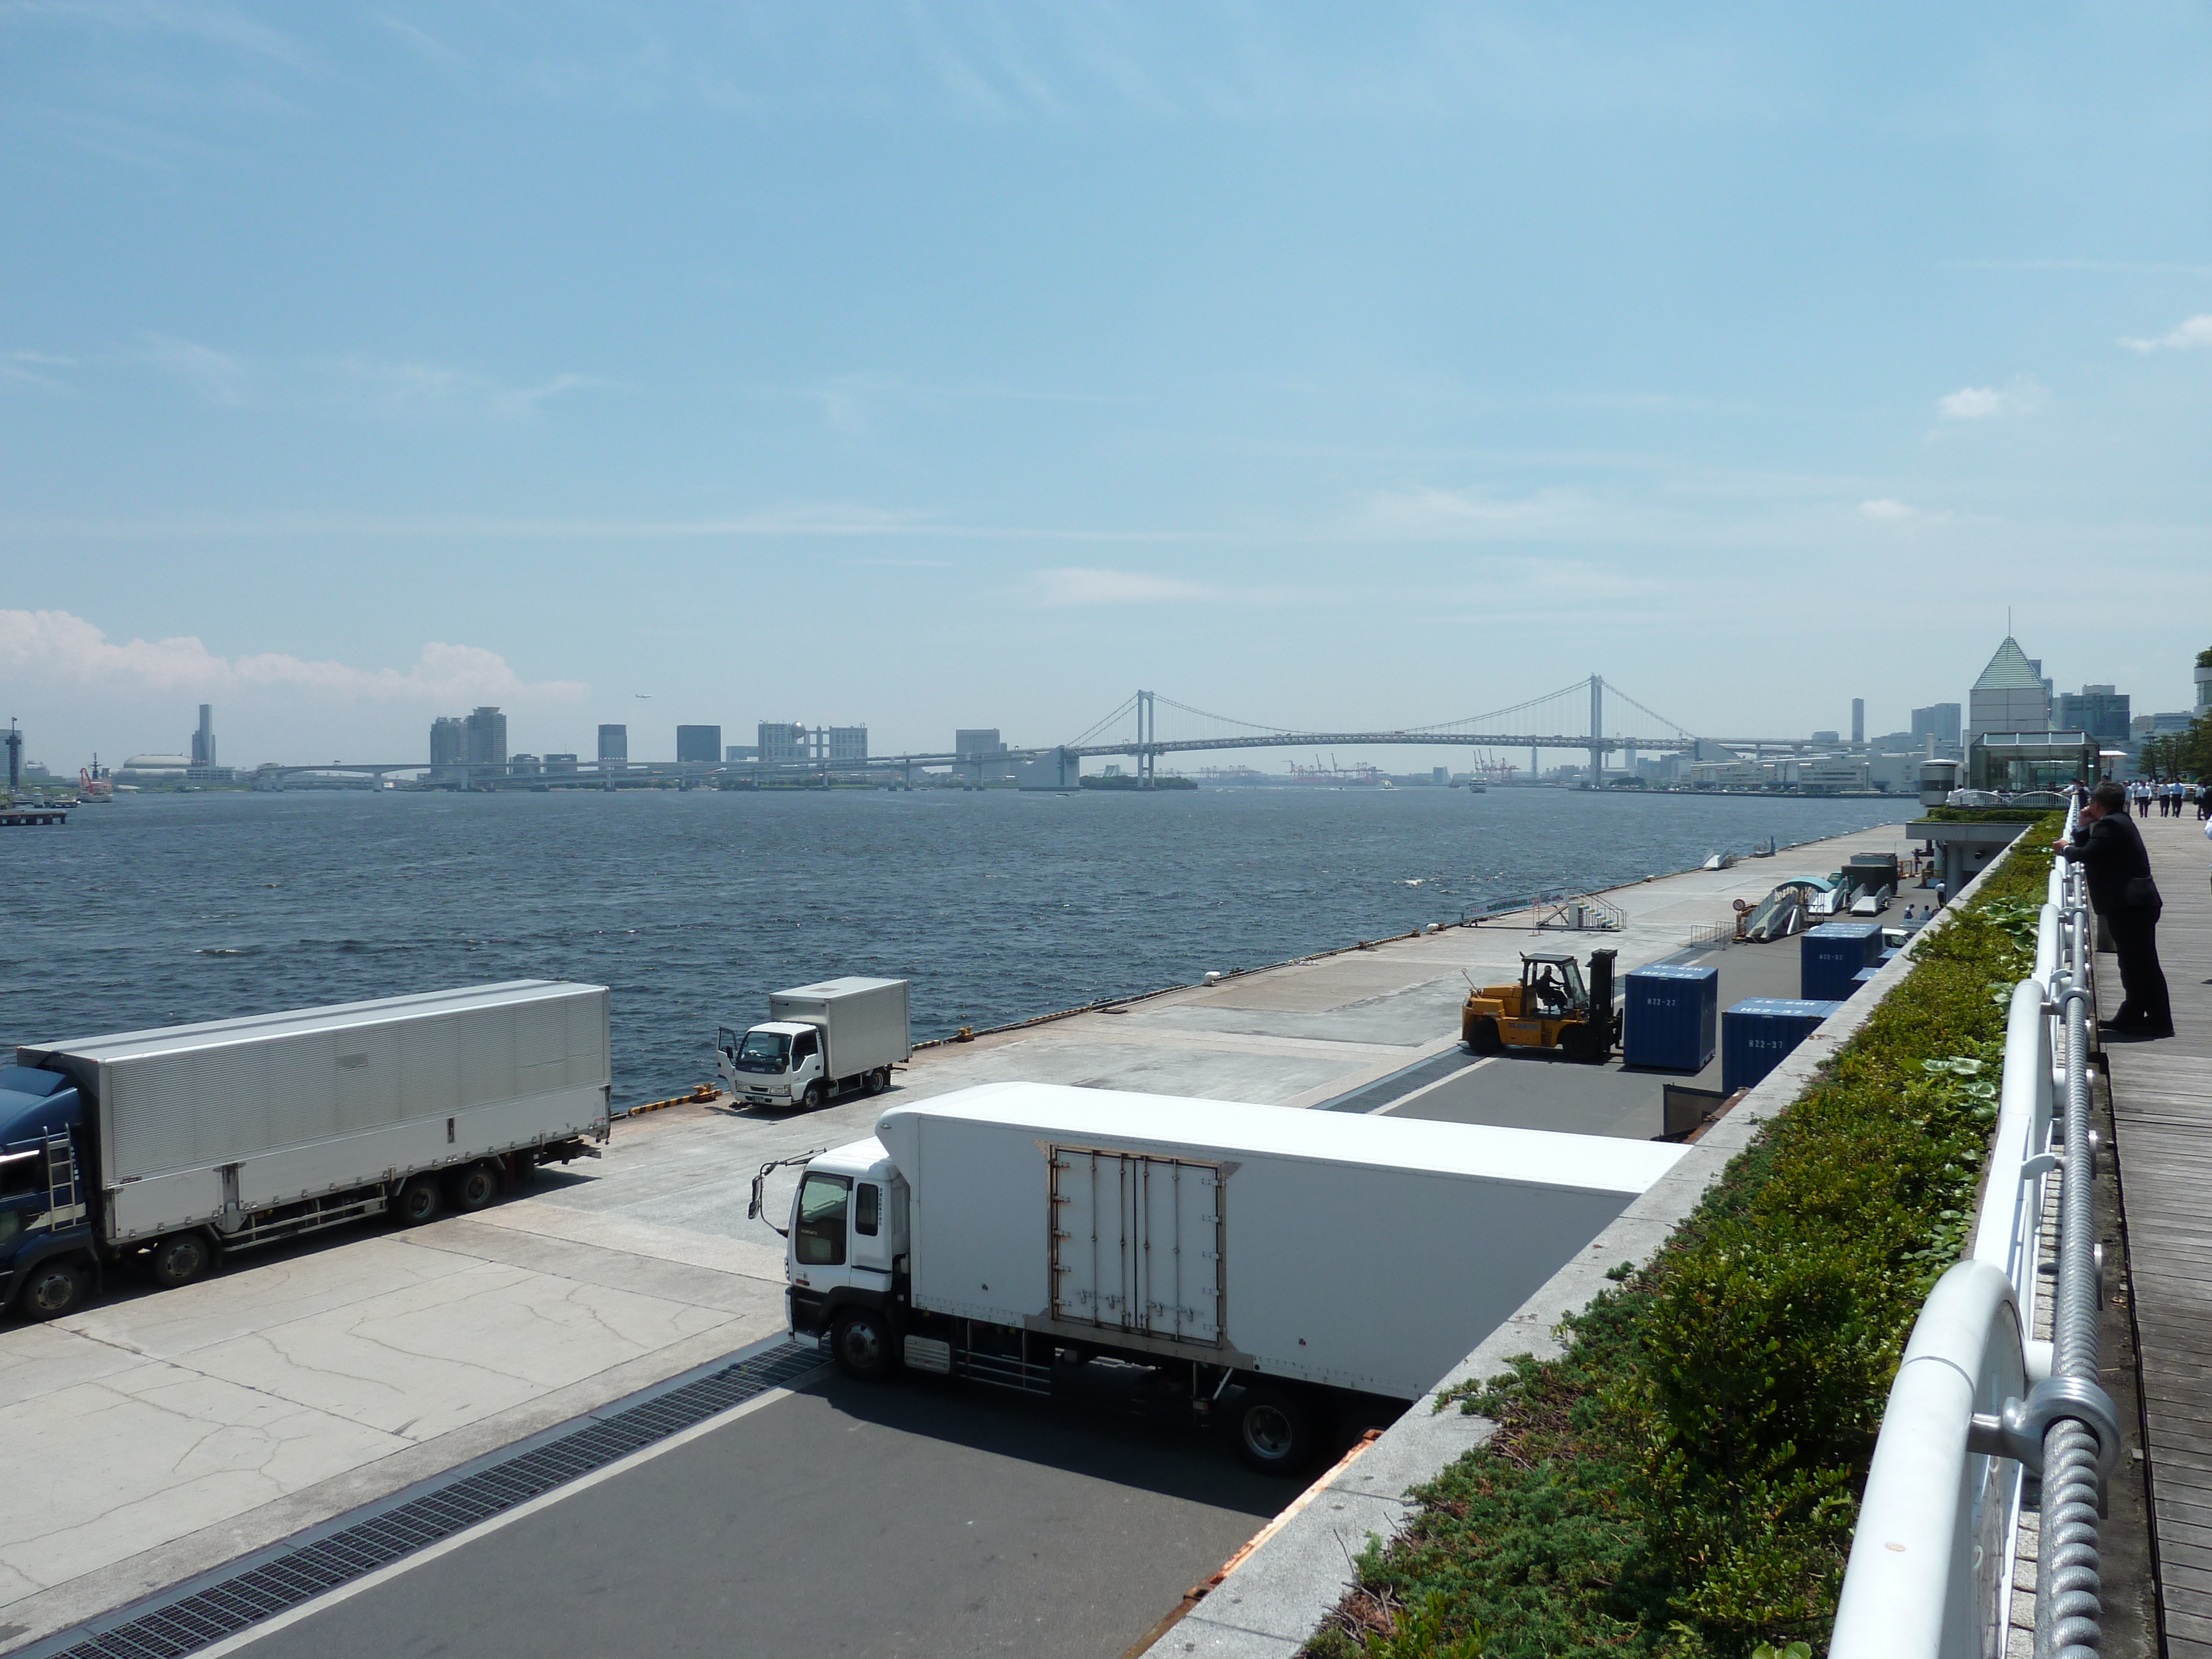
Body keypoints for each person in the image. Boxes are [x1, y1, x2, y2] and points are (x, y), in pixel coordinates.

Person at [2060, 780, 2173, 1038]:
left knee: (2139, 964)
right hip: (2135, 903)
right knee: (2137, 964)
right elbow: (2095, 849)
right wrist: (2082, 827)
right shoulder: (2120, 821)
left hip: (2130, 904)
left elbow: (2088, 853)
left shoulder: (2111, 824)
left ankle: (2156, 1021)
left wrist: (2065, 848)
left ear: (2097, 804)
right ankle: (2138, 1015)